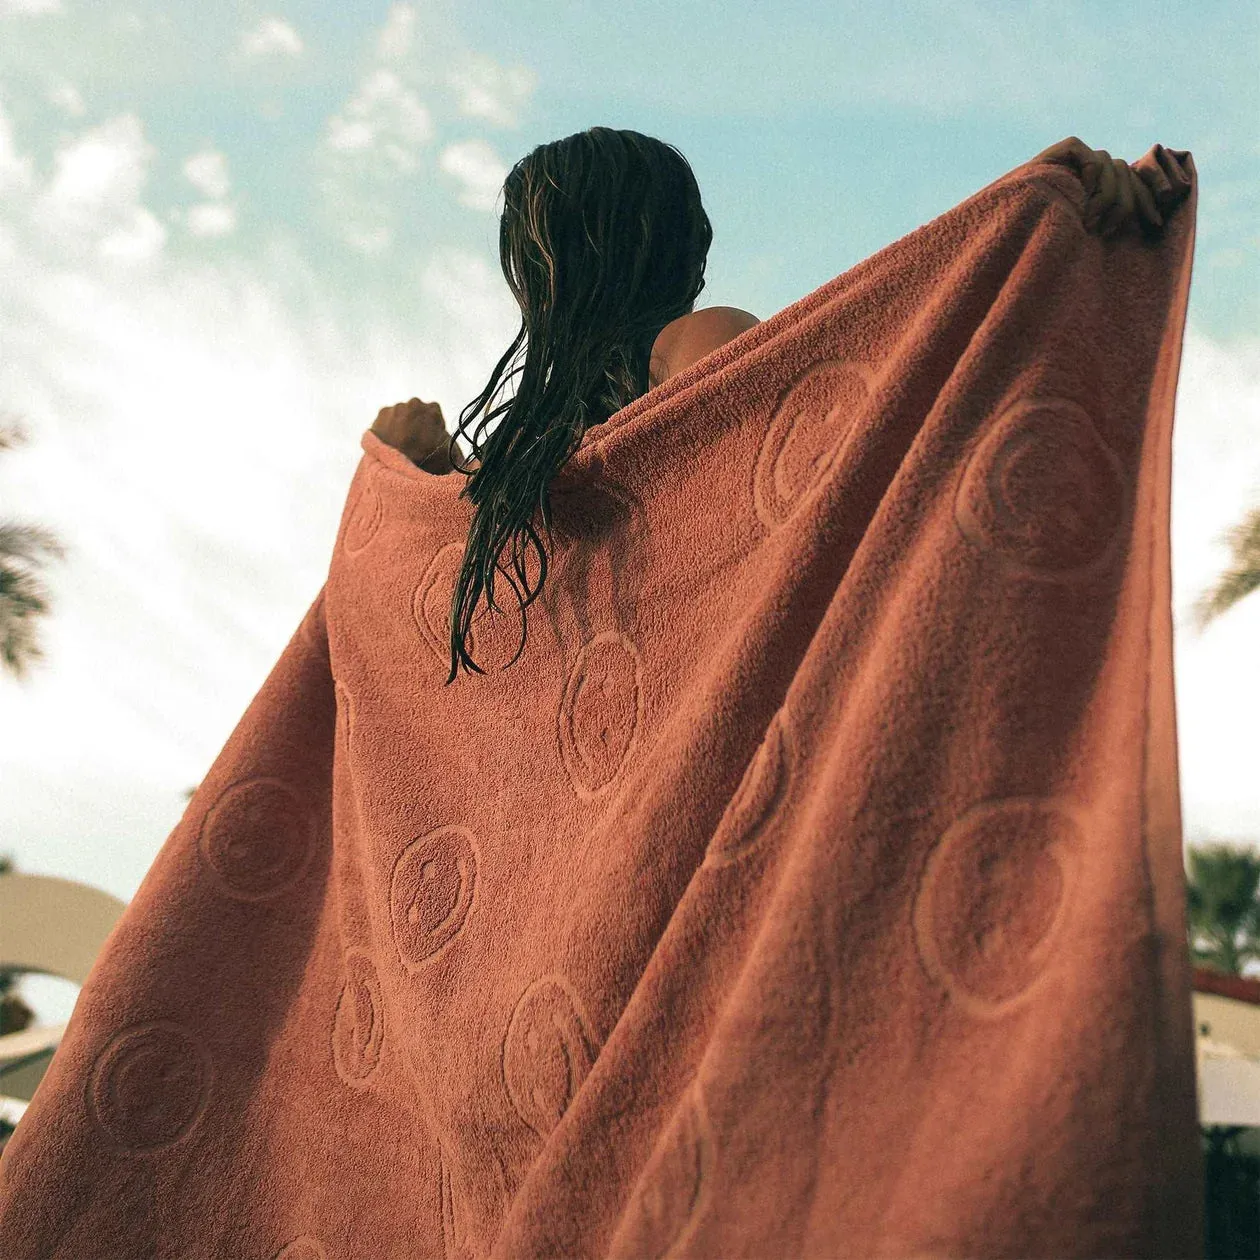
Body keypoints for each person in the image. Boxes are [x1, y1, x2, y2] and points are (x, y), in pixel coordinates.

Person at [371, 131, 1166, 684]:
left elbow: (804, 451)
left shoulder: (666, 365)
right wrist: (423, 473)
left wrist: (406, 471)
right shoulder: (576, 427)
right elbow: (873, 420)